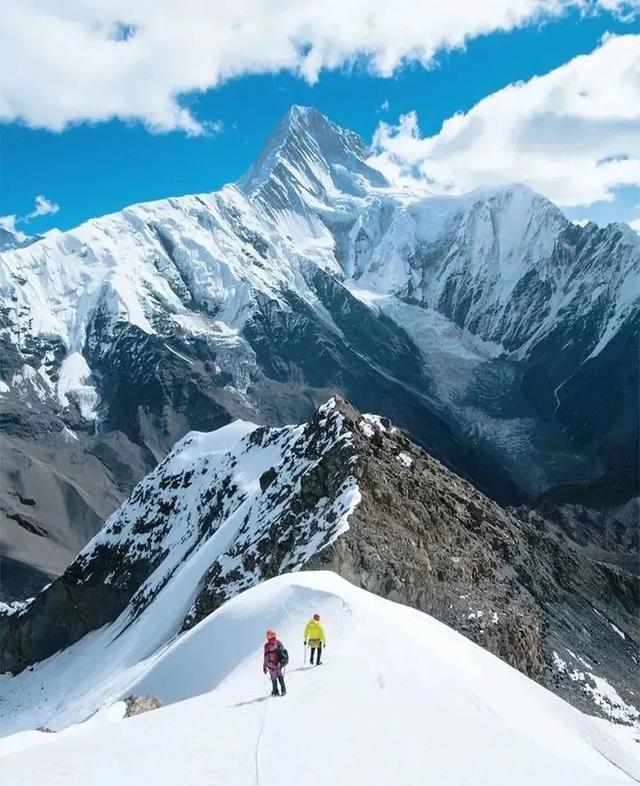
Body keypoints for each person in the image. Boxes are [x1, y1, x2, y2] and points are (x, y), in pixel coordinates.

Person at [263, 629, 287, 696]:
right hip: (279, 663)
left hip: (271, 665)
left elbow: (266, 656)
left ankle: (275, 691)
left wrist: (264, 666)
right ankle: (283, 690)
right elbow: (283, 651)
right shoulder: (278, 642)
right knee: (280, 676)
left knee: (274, 678)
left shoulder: (267, 646)